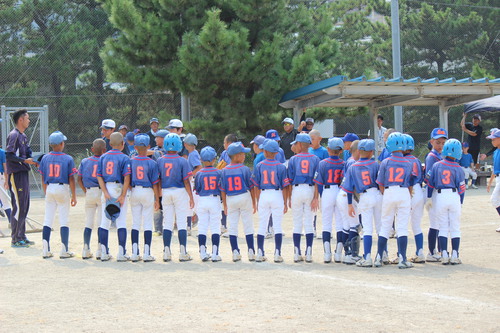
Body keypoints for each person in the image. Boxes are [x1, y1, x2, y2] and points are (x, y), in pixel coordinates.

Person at [374, 132, 415, 269]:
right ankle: (402, 259)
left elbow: (380, 182)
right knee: (402, 227)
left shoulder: (385, 162)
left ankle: (379, 257)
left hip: (389, 191)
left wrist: (386, 194)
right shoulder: (408, 163)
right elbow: (410, 182)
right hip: (404, 192)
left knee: (385, 226)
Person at [341, 139, 381, 267]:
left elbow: (348, 188)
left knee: (367, 229)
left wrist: (349, 204)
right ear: (371, 152)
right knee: (381, 227)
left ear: (359, 151)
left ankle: (368, 257)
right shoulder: (376, 164)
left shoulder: (353, 167)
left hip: (364, 196)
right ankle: (381, 256)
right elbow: (380, 182)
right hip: (377, 194)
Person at [38, 131, 77, 259]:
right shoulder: (68, 158)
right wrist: (74, 195)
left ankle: (45, 250)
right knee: (63, 219)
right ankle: (64, 250)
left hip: (50, 188)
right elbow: (71, 179)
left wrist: (46, 191)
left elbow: (43, 177)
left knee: (47, 219)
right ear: (61, 144)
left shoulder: (45, 158)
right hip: (62, 188)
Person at [427, 139, 465, 265]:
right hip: (454, 195)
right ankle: (455, 254)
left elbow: (430, 184)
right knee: (455, 227)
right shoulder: (458, 168)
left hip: (440, 196)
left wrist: (428, 197)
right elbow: (462, 188)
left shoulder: (437, 165)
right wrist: (461, 202)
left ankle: (444, 254)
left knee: (442, 227)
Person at [157, 133, 195, 262]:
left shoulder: (160, 160)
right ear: (179, 145)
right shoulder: (182, 161)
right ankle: (183, 252)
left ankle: (166, 252)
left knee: (167, 222)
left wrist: (158, 196)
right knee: (182, 223)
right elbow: (186, 181)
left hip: (166, 192)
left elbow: (159, 180)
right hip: (180, 192)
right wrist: (191, 196)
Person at [251, 140, 290, 263]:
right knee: (277, 225)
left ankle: (260, 253)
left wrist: (258, 200)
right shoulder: (281, 166)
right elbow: (285, 186)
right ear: (276, 152)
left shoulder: (260, 165)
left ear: (266, 151)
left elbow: (256, 185)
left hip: (264, 194)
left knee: (262, 224)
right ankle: (277, 253)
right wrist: (285, 202)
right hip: (277, 194)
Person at [97, 132, 131, 262]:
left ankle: (104, 252)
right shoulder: (124, 158)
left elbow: (99, 175)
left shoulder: (103, 157)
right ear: (123, 144)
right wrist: (123, 195)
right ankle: (121, 253)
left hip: (107, 188)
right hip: (118, 188)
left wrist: (105, 191)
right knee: (121, 222)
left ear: (110, 144)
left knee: (104, 223)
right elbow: (127, 177)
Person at [6, 109, 38, 248]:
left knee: (25, 205)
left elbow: (28, 152)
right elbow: (9, 155)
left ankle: (22, 236)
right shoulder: (13, 135)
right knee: (18, 206)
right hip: (16, 174)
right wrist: (25, 161)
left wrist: (35, 159)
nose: (29, 121)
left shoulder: (23, 135)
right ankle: (15, 238)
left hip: (24, 173)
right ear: (21, 119)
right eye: (27, 118)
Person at [220, 142, 256, 262]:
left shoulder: (224, 170)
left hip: (231, 198)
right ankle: (251, 251)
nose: (244, 156)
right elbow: (251, 187)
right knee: (248, 225)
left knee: (232, 226)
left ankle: (235, 251)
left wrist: (224, 204)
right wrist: (254, 202)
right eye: (242, 154)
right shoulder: (245, 169)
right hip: (244, 196)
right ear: (236, 156)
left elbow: (223, 190)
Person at [288, 133, 320, 263]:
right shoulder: (315, 158)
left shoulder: (293, 159)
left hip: (296, 189)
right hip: (310, 189)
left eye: (296, 143)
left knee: (297, 223)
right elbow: (317, 180)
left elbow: (289, 180)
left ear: (300, 145)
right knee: (309, 222)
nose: (295, 145)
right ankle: (309, 253)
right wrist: (316, 197)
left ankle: (297, 252)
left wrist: (290, 197)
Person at [129, 134, 160, 262]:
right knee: (147, 222)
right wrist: (157, 199)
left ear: (135, 147)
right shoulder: (152, 162)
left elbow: (128, 180)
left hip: (135, 190)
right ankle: (147, 253)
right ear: (148, 146)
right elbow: (155, 183)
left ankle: (135, 253)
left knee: (135, 223)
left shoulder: (131, 161)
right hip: (147, 191)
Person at [313, 137, 344, 263]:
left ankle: (327, 253)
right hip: (339, 190)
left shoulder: (323, 163)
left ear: (328, 149)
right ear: (341, 151)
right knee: (340, 223)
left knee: (326, 223)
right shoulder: (343, 163)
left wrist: (320, 195)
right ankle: (338, 253)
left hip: (327, 190)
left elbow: (318, 182)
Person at [77, 138, 106, 259]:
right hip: (100, 192)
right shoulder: (105, 160)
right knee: (100, 222)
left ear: (92, 149)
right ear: (105, 150)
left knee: (88, 222)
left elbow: (79, 178)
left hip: (89, 191)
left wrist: (85, 191)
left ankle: (86, 248)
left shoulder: (85, 161)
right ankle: (100, 250)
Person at [194, 146, 222, 262]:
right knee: (215, 226)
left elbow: (198, 189)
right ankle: (215, 253)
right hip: (215, 199)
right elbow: (221, 188)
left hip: (203, 199)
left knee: (202, 226)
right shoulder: (218, 172)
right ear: (214, 159)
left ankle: (203, 252)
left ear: (201, 160)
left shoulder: (199, 173)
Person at [335, 140, 361, 263]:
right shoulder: (353, 163)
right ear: (357, 151)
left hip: (342, 194)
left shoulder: (349, 161)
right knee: (354, 226)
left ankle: (347, 254)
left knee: (346, 225)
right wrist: (351, 203)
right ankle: (352, 255)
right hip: (347, 195)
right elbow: (351, 185)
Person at [424, 128, 448, 262]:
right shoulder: (431, 157)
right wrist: (428, 197)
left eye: (443, 143)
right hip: (432, 192)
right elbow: (428, 178)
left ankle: (439, 250)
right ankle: (432, 251)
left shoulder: (441, 156)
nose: (440, 145)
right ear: (432, 142)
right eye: (438, 142)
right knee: (435, 223)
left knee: (440, 222)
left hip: (439, 193)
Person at [402, 134, 426, 264]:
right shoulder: (416, 159)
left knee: (402, 225)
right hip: (418, 191)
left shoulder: (402, 160)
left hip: (408, 190)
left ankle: (402, 255)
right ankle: (420, 252)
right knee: (416, 224)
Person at [184, 133, 201, 234]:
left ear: (187, 144)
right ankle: (188, 226)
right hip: (193, 181)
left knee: (192, 205)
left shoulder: (193, 154)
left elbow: (199, 167)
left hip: (193, 182)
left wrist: (191, 175)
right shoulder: (192, 153)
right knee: (190, 205)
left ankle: (190, 226)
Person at [486, 129, 500, 232]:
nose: (492, 141)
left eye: (494, 139)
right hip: (498, 178)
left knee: (494, 200)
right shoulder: (495, 152)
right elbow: (495, 169)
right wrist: (490, 182)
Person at [0, 146, 12, 226]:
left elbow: (5, 167)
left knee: (4, 201)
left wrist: (7, 181)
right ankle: (11, 222)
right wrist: (7, 180)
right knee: (5, 202)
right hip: (1, 177)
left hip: (1, 176)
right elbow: (5, 167)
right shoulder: (2, 152)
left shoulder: (2, 152)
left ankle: (11, 222)